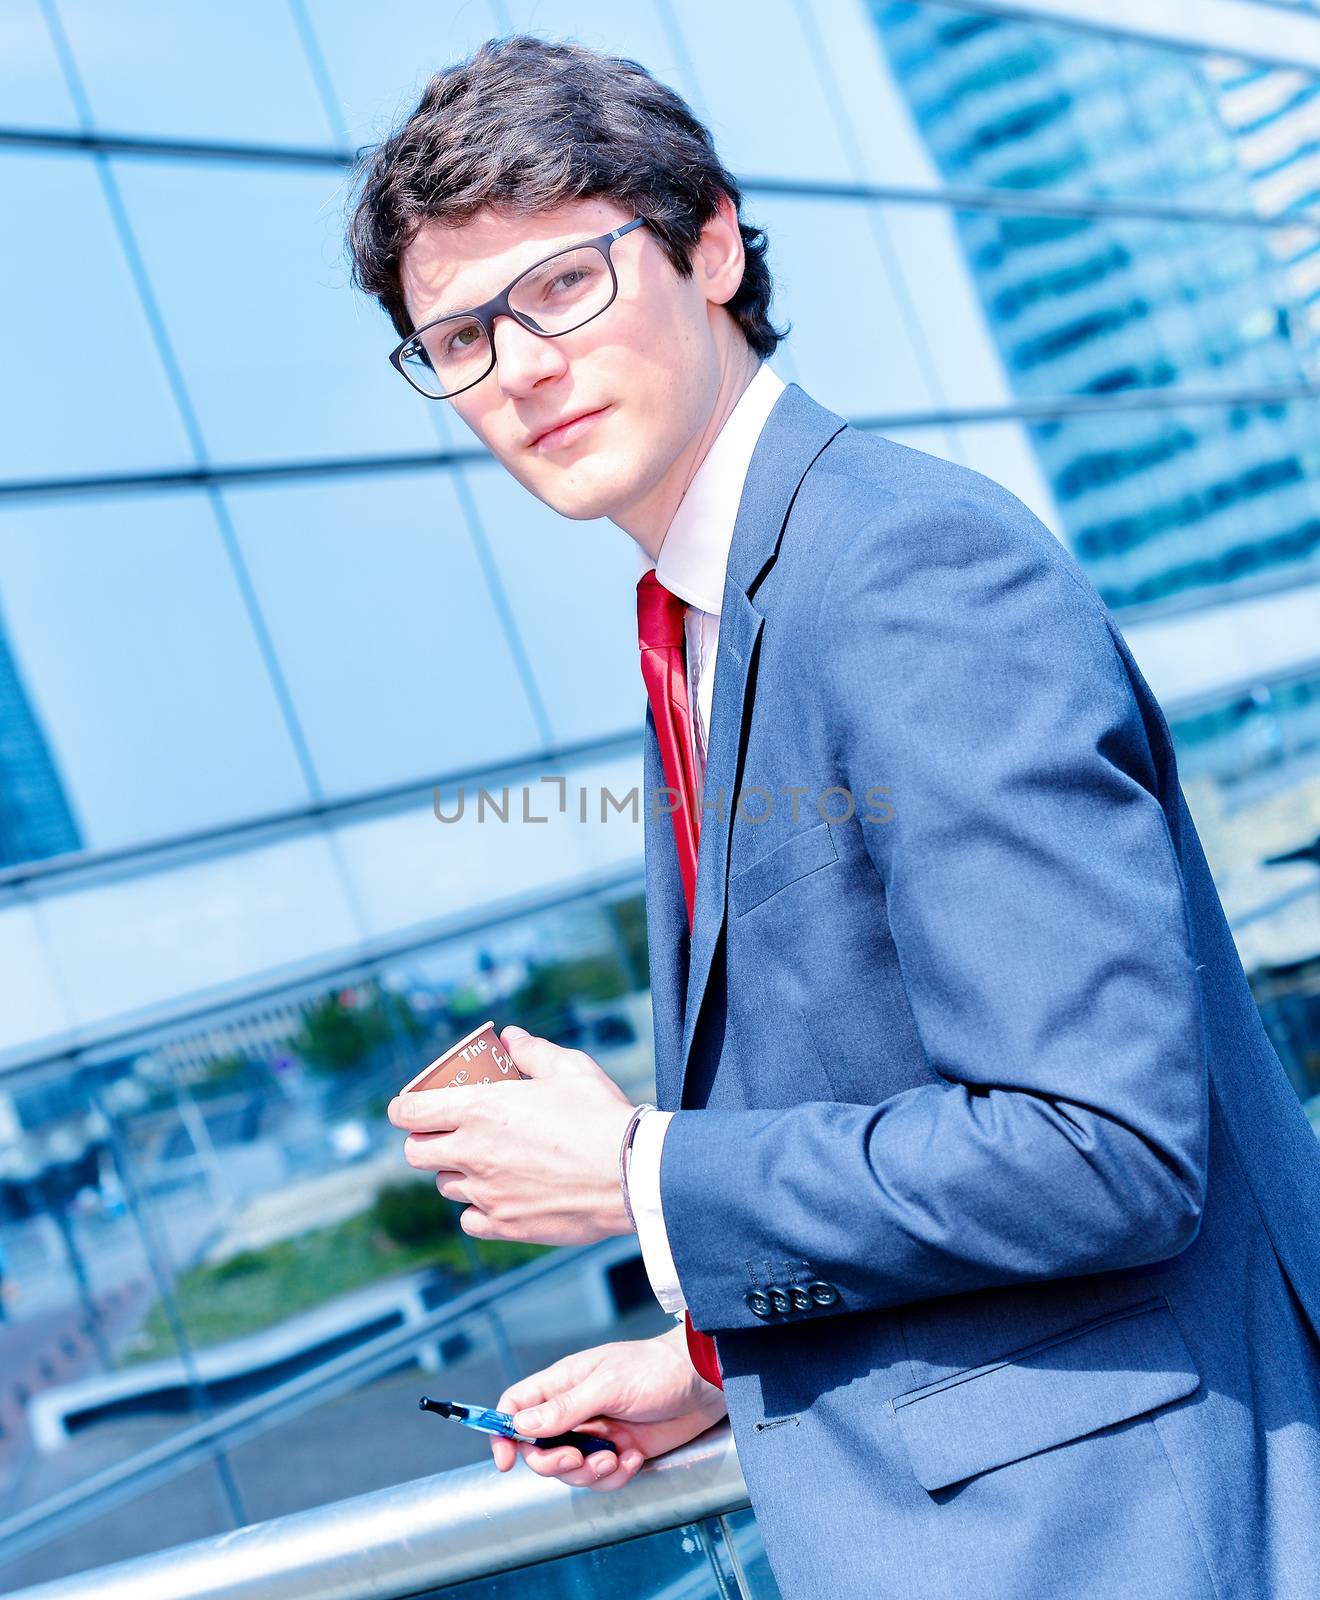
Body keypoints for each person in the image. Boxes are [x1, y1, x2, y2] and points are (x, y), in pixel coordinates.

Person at [353, 33, 1320, 1599]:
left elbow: (1103, 1147)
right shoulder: (711, 611)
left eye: (563, 287)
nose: (518, 365)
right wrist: (715, 1354)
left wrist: (637, 1175)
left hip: (1131, 1538)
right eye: (457, 336)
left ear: (713, 245)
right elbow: (898, 1082)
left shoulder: (907, 570)